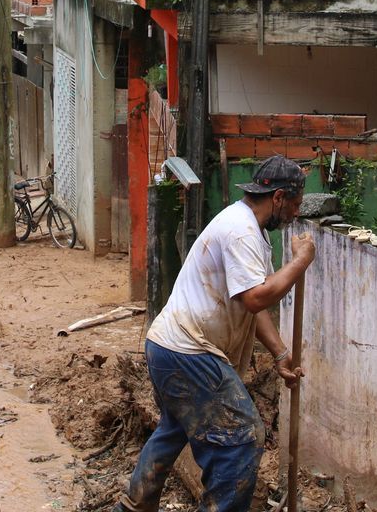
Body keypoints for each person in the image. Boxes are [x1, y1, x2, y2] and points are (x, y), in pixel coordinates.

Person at [117, 155, 315, 511]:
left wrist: (281, 354)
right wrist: (299, 262)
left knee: (174, 429)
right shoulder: (241, 231)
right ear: (280, 198)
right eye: (296, 205)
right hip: (188, 350)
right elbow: (257, 299)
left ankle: (134, 505)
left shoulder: (247, 228)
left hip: (169, 345)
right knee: (241, 437)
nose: (295, 214)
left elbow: (250, 305)